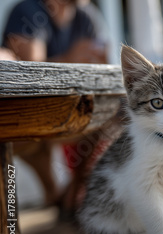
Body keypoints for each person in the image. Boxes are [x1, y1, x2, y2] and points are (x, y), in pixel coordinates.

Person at [2, 0, 108, 212]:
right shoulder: (28, 10)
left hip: (67, 111)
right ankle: (56, 193)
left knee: (113, 114)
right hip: (23, 117)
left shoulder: (87, 15)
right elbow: (29, 73)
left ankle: (69, 193)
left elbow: (101, 64)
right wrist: (71, 59)